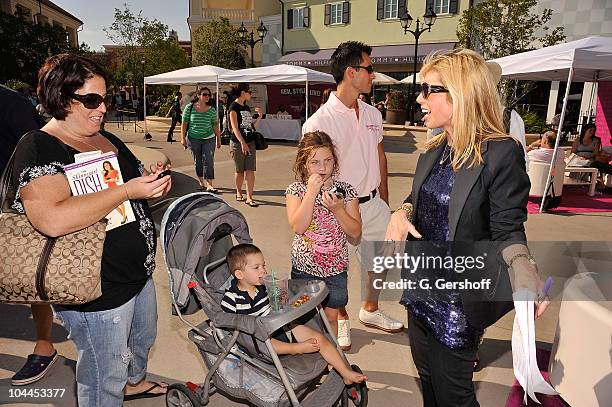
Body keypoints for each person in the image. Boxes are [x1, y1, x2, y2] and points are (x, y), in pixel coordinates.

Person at [384, 48, 549, 407]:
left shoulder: (501, 153)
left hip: (458, 301)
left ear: (460, 95)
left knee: (454, 395)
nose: (419, 97)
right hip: (420, 292)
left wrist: (524, 270)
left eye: (429, 89)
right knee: (428, 385)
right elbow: (418, 198)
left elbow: (508, 228)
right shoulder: (434, 149)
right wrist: (402, 211)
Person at [10, 53, 172, 405]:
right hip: (95, 290)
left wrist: (153, 178)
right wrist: (128, 190)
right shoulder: (39, 146)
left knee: (140, 343)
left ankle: (131, 385)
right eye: (91, 100)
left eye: (105, 98)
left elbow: (131, 182)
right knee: (103, 377)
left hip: (136, 275)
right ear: (61, 97)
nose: (103, 108)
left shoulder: (103, 136)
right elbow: (50, 219)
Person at [303, 41, 404, 352]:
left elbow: (379, 153)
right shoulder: (319, 122)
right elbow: (312, 174)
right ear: (350, 72)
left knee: (382, 259)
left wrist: (385, 197)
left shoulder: (372, 112)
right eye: (369, 69)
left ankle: (369, 309)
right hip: (340, 208)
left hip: (373, 203)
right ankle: (343, 316)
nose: (373, 75)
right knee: (338, 267)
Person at [220, 243, 367, 385]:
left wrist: (281, 294)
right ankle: (296, 349)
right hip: (259, 339)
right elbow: (227, 321)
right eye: (256, 267)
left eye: (263, 265)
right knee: (265, 341)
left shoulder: (265, 286)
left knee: (319, 338)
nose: (263, 271)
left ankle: (345, 373)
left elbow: (281, 303)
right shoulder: (231, 299)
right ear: (239, 274)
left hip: (281, 326)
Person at [1, 85, 60, 387]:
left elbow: (40, 148)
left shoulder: (11, 102)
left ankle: (44, 345)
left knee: (30, 277)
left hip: (12, 210)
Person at [285, 131, 361, 341]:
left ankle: (329, 362)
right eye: (315, 162)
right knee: (303, 319)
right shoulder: (296, 190)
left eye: (328, 161)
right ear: (304, 164)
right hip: (304, 268)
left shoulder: (346, 191)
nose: (322, 168)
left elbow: (355, 232)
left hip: (336, 269)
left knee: (331, 317)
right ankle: (308, 360)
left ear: (335, 162)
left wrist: (338, 210)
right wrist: (311, 193)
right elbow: (298, 226)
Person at [181, 87, 222, 192]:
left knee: (208, 161)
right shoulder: (189, 107)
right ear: (198, 96)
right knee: (198, 161)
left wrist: (219, 138)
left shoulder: (212, 109)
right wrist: (183, 139)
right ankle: (201, 182)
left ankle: (209, 184)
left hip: (209, 138)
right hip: (193, 138)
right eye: (204, 94)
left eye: (209, 95)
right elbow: (184, 124)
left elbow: (215, 125)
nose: (207, 97)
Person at [228, 83, 263, 207]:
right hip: (238, 143)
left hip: (250, 142)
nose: (251, 94)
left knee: (250, 170)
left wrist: (260, 117)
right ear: (243, 93)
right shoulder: (233, 107)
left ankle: (249, 197)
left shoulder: (246, 108)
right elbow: (235, 128)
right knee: (240, 171)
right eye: (249, 92)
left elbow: (251, 126)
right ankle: (238, 191)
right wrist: (242, 143)